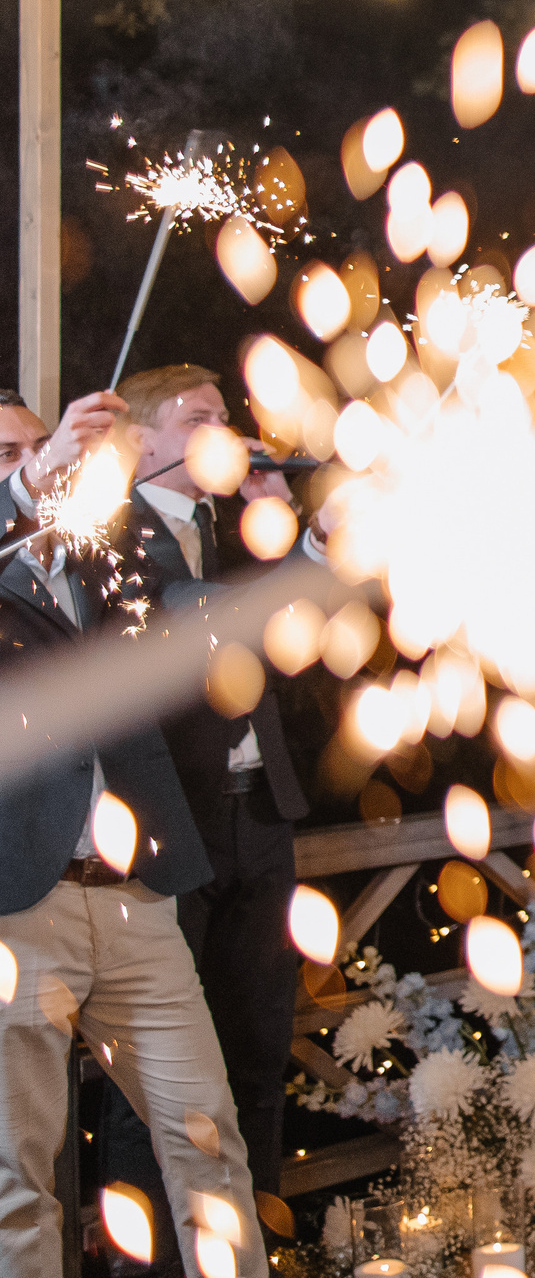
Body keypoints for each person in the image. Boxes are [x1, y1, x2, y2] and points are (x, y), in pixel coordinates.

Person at [0, 388, 264, 1278]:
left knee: (208, 1142)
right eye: (8, 453)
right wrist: (24, 487)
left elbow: (185, 600)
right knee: (17, 1181)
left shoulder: (99, 553)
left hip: (136, 903)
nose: (38, 463)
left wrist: (311, 552)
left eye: (39, 448)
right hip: (13, 909)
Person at [94, 365, 310, 1266]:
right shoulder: (106, 533)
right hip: (167, 825)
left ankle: (248, 1242)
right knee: (157, 1072)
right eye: (199, 417)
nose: (227, 428)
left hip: (260, 812)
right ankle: (146, 1259)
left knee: (259, 1037)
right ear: (142, 441)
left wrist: (284, 532)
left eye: (226, 414)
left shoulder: (233, 526)